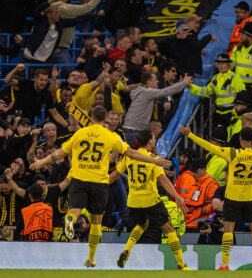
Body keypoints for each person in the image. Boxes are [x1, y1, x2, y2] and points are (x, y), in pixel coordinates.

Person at [29, 106, 172, 267]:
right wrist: (154, 160)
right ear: (105, 119)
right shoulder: (110, 136)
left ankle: (70, 219)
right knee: (96, 221)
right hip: (99, 182)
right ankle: (91, 257)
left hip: (79, 178)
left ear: (91, 117)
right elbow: (131, 153)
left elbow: (60, 152)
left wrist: (41, 161)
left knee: (75, 209)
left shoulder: (80, 133)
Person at [179, 124, 252, 271]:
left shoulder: (233, 153)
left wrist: (190, 135)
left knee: (228, 230)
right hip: (250, 199)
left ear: (240, 139)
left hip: (233, 198)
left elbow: (210, 147)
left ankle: (225, 264)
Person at [109, 130, 190, 270]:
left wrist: (100, 185)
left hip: (133, 202)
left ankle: (126, 250)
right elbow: (163, 180)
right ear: (150, 141)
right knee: (169, 229)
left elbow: (115, 174)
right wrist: (177, 196)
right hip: (151, 200)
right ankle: (181, 265)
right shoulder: (153, 158)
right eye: (153, 138)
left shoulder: (129, 157)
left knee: (142, 225)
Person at [123, 71, 192, 147]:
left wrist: (179, 84)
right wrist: (184, 83)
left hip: (132, 132)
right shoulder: (146, 92)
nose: (158, 81)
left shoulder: (143, 91)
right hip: (133, 133)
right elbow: (165, 92)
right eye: (155, 79)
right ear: (149, 82)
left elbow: (166, 90)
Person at [4, 66, 73, 132]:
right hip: (14, 118)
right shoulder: (26, 83)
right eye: (41, 80)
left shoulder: (46, 93)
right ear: (36, 78)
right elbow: (7, 80)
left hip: (29, 124)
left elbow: (55, 114)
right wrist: (16, 69)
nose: (43, 83)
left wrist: (67, 126)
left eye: (45, 80)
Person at [189, 54, 245, 128]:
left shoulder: (235, 77)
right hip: (218, 114)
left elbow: (242, 97)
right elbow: (206, 91)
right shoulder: (215, 78)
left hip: (231, 114)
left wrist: (235, 112)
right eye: (219, 63)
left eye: (223, 63)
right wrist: (190, 86)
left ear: (228, 65)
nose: (220, 65)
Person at [180, 158, 219, 229]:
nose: (194, 174)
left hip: (203, 218)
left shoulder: (212, 185)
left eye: (196, 172)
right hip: (192, 216)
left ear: (203, 169)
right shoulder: (196, 182)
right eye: (193, 172)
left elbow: (215, 204)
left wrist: (202, 211)